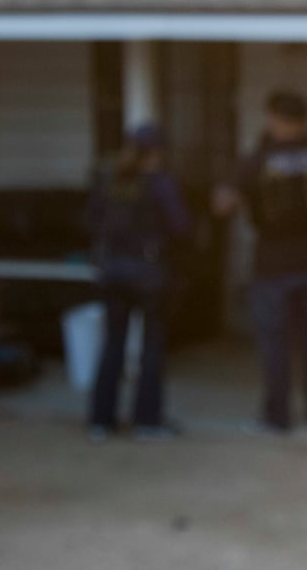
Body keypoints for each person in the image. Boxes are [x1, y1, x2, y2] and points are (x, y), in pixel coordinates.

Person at [217, 90, 307, 433]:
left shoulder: (260, 158)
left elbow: (224, 202)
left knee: (275, 343)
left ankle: (277, 416)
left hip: (273, 264)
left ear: (274, 118)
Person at [85, 122, 190, 443]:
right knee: (152, 349)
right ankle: (148, 421)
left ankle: (101, 421)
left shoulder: (109, 179)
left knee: (112, 345)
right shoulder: (160, 183)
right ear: (158, 151)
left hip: (112, 272)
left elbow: (90, 219)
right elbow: (181, 225)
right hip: (149, 274)